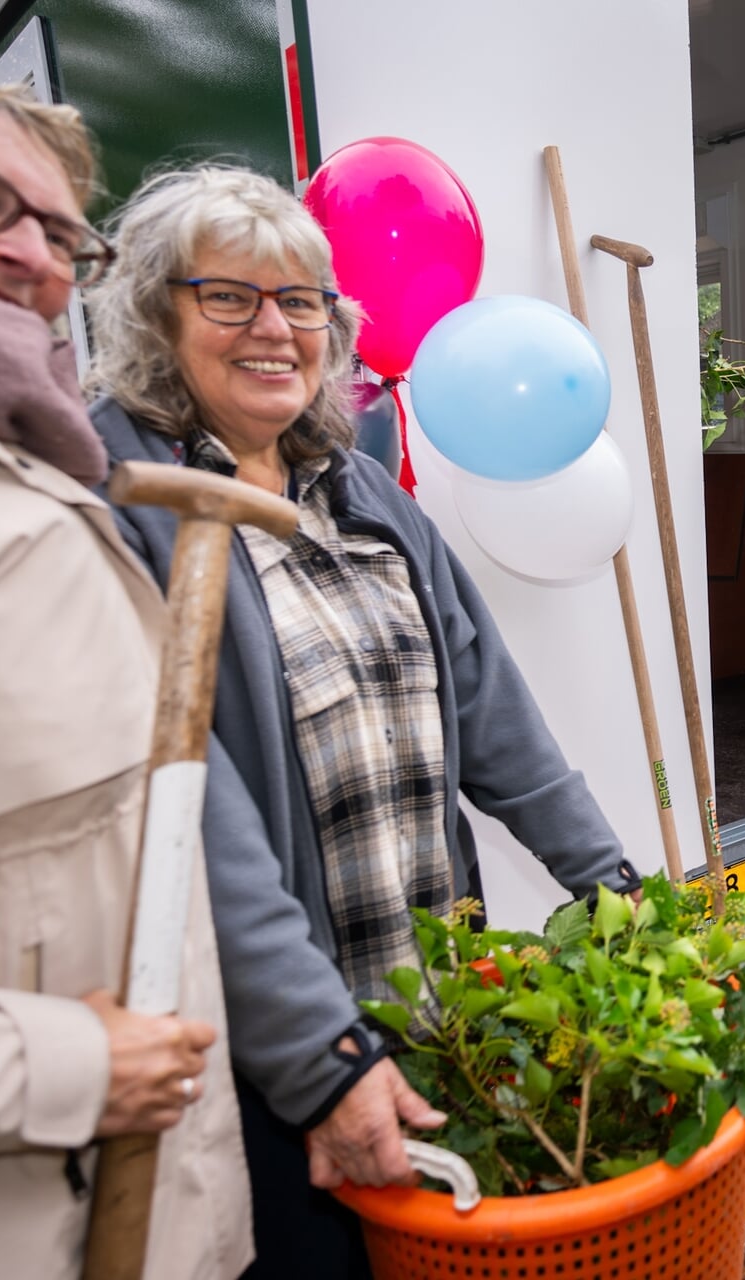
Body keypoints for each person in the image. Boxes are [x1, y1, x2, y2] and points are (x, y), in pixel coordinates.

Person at [82, 165, 641, 1279]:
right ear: (154, 313)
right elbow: (188, 827)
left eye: (301, 301)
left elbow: (491, 712)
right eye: (228, 296)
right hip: (270, 1050)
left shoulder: (363, 493)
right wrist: (320, 1057)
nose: (274, 328)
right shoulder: (128, 511)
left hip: (432, 1004)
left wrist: (614, 886)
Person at [0, 50, 250, 1280]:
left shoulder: (40, 474)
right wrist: (53, 1065)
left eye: (63, 233)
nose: (30, 255)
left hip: (151, 1206)